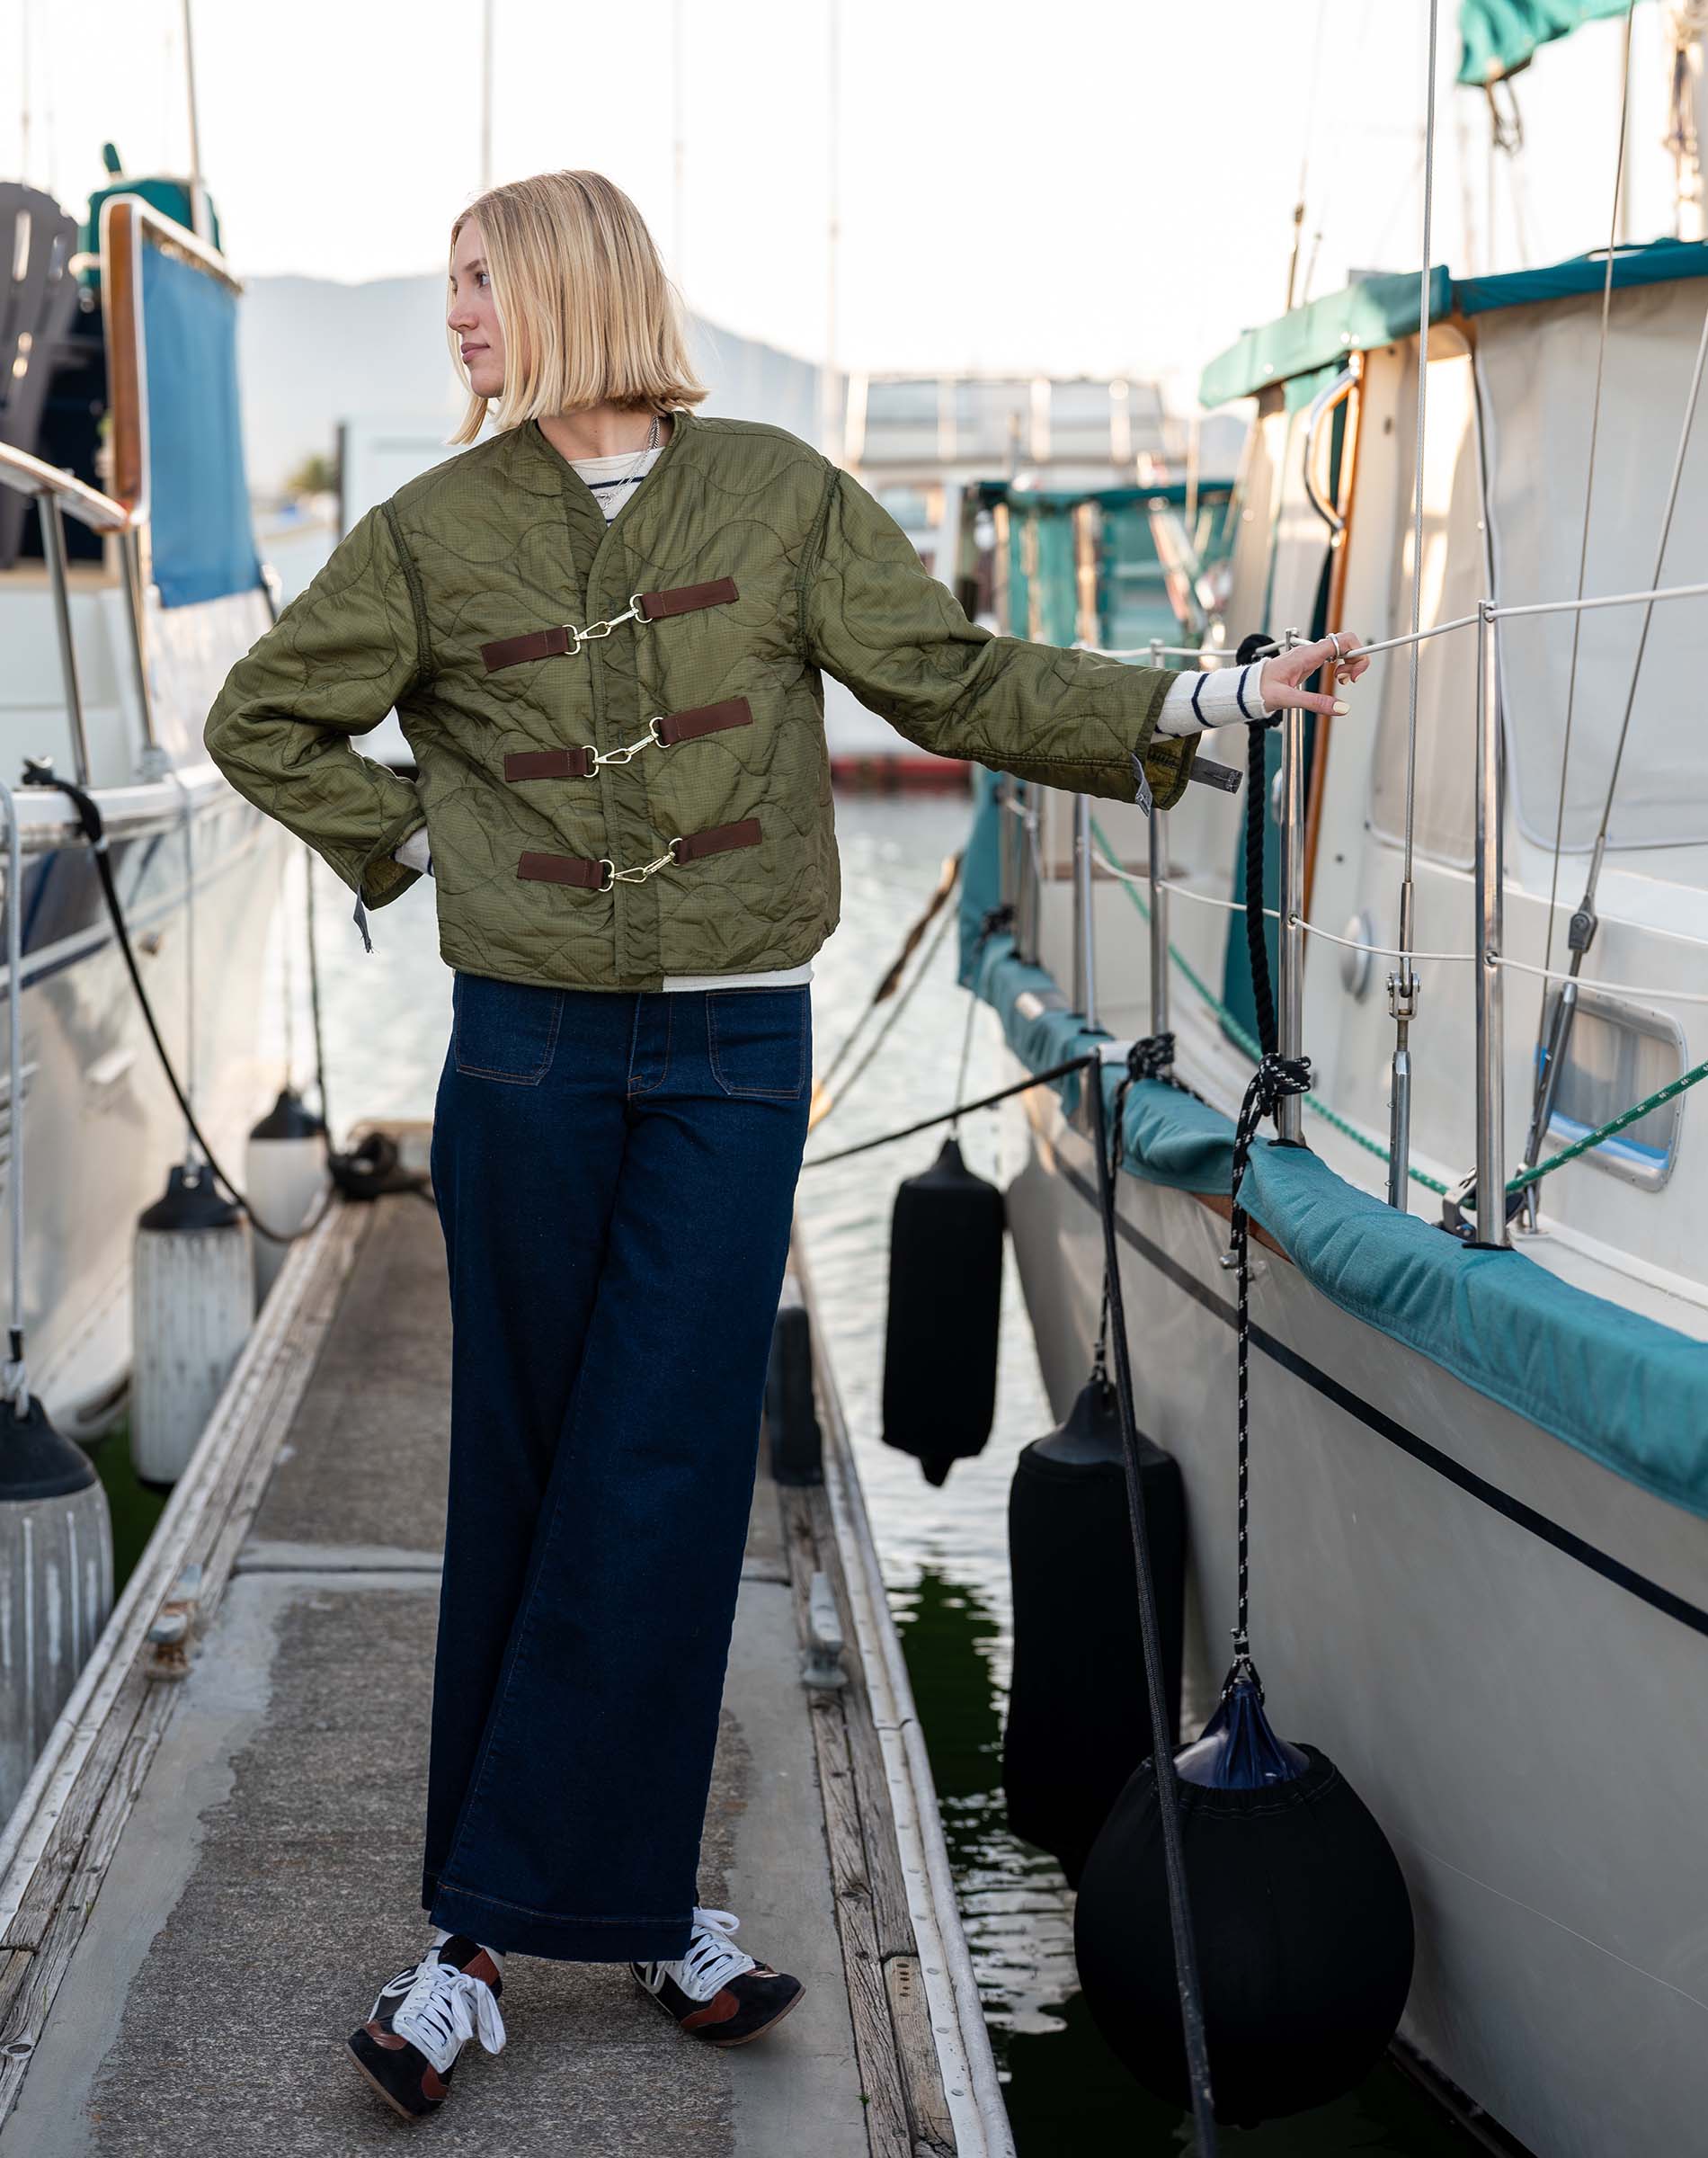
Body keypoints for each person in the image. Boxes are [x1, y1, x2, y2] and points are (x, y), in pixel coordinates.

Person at [202, 167, 1368, 2125]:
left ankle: (574, 1921)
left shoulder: (778, 494)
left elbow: (955, 678)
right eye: (450, 296)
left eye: (479, 288)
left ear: (571, 291)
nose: (457, 327)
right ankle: (524, 1931)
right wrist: (431, 841)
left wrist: (1208, 690)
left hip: (736, 1048)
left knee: (657, 1470)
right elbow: (265, 724)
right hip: (527, 1057)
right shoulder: (426, 532)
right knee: (531, 1464)